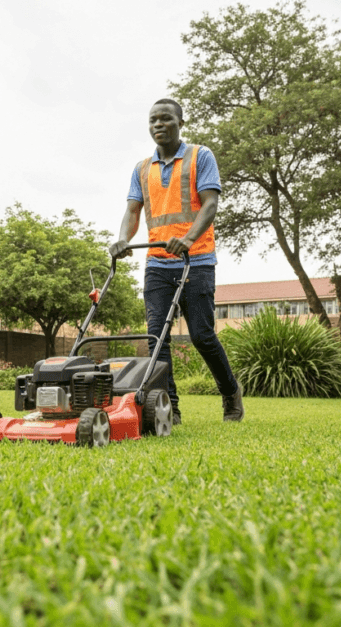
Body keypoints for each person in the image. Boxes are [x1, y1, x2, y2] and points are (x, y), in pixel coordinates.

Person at [109, 98, 243, 423]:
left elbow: (210, 205)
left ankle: (230, 392)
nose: (158, 124)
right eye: (153, 120)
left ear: (180, 123)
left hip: (196, 260)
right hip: (157, 262)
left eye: (166, 118)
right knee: (157, 339)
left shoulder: (200, 156)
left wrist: (188, 239)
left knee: (201, 335)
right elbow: (132, 211)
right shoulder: (142, 169)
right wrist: (123, 239)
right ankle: (169, 409)